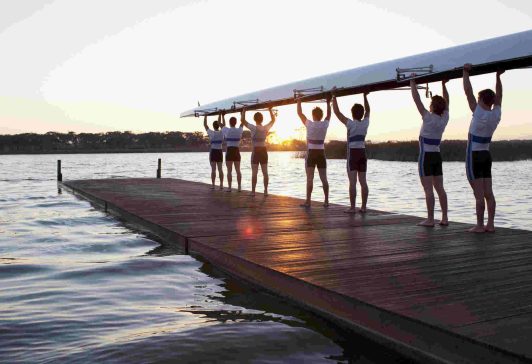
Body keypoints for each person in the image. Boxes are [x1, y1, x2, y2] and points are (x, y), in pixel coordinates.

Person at [463, 63, 504, 233]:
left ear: (480, 101)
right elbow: (500, 96)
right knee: (489, 192)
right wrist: (498, 77)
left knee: (479, 194)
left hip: (474, 155)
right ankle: (491, 225)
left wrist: (465, 73)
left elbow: (467, 92)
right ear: (492, 101)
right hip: (486, 155)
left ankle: (479, 226)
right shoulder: (496, 114)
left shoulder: (478, 111)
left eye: (478, 99)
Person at [410, 78, 450, 227]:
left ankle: (431, 219)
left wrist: (412, 83)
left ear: (432, 106)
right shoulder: (445, 118)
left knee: (428, 189)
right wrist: (444, 85)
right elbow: (448, 102)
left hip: (426, 156)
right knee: (440, 188)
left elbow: (416, 99)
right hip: (437, 156)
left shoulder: (428, 118)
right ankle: (445, 218)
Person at [332, 90, 370, 213]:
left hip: (353, 154)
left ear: (352, 114)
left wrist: (334, 96)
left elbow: (337, 113)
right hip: (363, 153)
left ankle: (353, 208)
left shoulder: (350, 124)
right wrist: (365, 96)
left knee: (352, 182)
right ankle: (363, 207)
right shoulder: (365, 123)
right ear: (361, 114)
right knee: (363, 181)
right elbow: (368, 111)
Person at [297, 97, 331, 207]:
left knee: (310, 178)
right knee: (324, 178)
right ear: (321, 116)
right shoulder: (324, 124)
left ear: (313, 115)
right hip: (321, 153)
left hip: (311, 153)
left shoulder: (309, 124)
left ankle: (308, 201)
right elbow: (329, 115)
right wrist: (328, 102)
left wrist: (299, 101)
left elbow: (299, 113)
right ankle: (326, 201)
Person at [241, 107, 276, 196]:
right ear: (262, 119)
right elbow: (273, 120)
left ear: (254, 119)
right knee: (265, 172)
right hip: (264, 152)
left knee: (254, 173)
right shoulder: (265, 128)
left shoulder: (253, 128)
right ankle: (265, 191)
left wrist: (244, 110)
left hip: (256, 151)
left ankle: (253, 192)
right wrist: (270, 110)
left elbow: (243, 120)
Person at [220, 111, 244, 192]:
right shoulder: (239, 130)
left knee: (229, 171)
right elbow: (243, 122)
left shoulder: (227, 130)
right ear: (235, 123)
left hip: (229, 151)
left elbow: (220, 124)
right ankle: (239, 187)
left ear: (229, 123)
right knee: (238, 170)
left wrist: (222, 115)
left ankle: (230, 188)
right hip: (237, 151)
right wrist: (242, 112)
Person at [203, 114, 224, 190]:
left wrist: (205, 116)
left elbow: (205, 125)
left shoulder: (211, 133)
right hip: (219, 151)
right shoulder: (222, 132)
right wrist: (221, 115)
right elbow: (223, 125)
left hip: (213, 151)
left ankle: (213, 185)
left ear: (213, 126)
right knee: (220, 169)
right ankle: (221, 185)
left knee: (213, 170)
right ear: (218, 125)